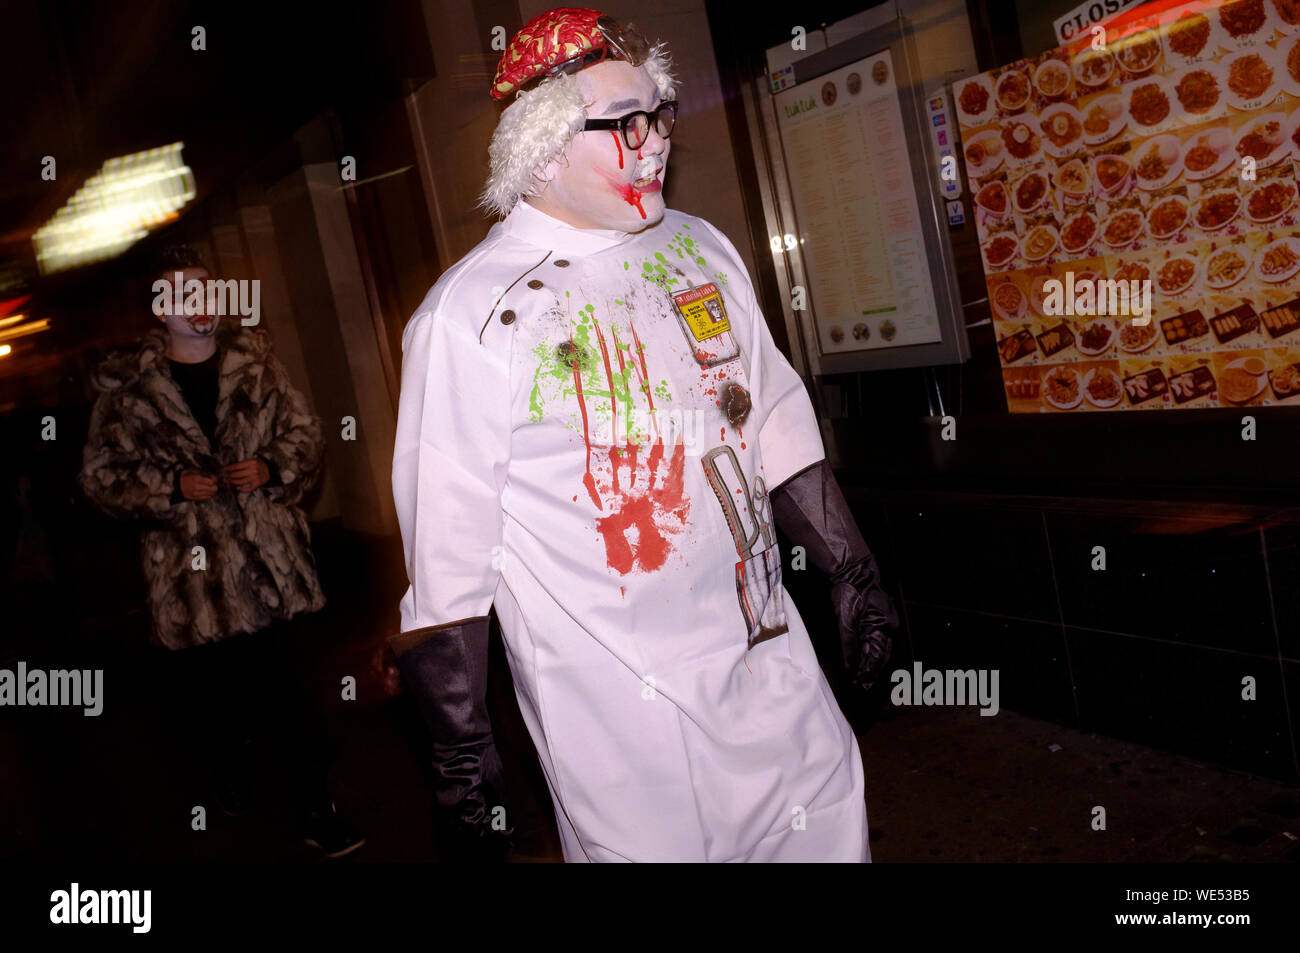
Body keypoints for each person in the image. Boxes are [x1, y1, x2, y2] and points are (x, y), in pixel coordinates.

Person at [390, 7, 896, 863]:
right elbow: (448, 555)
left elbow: (768, 410)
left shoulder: (699, 248)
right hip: (627, 727)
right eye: (625, 125)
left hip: (776, 674)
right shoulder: (470, 318)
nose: (655, 140)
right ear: (543, 152)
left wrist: (850, 567)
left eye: (658, 114)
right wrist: (461, 751)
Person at [79, 244, 363, 858]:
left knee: (294, 697)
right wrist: (169, 488)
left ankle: (319, 807)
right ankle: (228, 765)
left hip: (269, 566)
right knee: (218, 704)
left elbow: (306, 434)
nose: (199, 306)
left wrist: (270, 466)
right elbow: (101, 478)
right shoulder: (129, 392)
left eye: (206, 291)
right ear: (160, 309)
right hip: (192, 583)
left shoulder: (257, 367)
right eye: (181, 295)